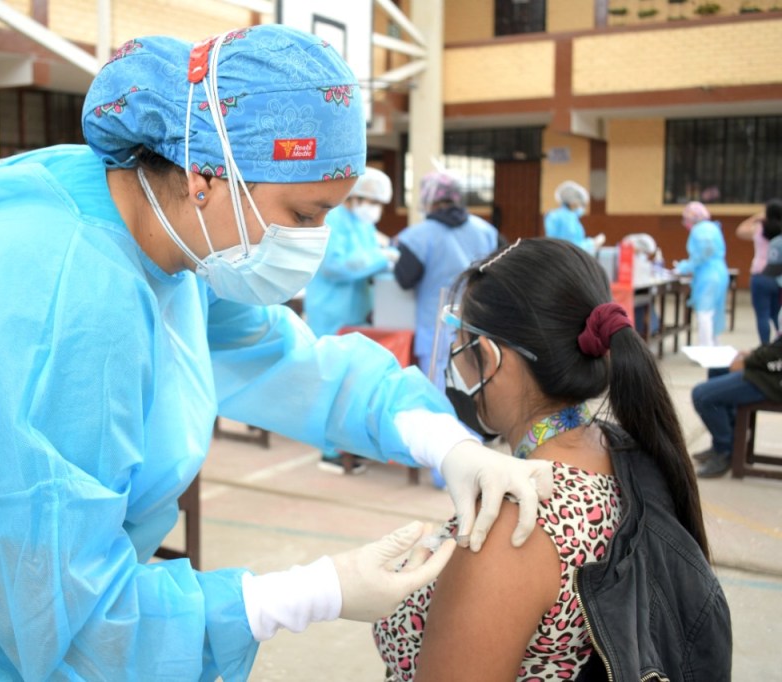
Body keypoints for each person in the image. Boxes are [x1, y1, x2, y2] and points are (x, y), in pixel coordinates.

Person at [0, 26, 553, 681]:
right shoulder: (36, 296)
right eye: (303, 214)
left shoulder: (174, 248)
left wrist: (447, 445)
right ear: (203, 177)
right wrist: (314, 591)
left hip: (54, 607)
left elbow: (289, 363)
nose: (315, 244)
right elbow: (68, 607)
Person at [372, 238, 732, 681]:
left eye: (459, 343)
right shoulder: (623, 450)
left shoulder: (513, 526)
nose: (454, 364)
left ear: (488, 356)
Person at [394, 170, 498, 380]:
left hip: (436, 330)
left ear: (428, 200)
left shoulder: (418, 236)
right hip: (477, 324)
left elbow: (404, 279)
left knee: (437, 391)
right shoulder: (486, 230)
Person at [304, 166, 394, 337]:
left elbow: (368, 260)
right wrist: (382, 258)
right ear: (354, 197)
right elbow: (334, 266)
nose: (376, 209)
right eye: (372, 202)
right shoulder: (332, 219)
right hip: (329, 314)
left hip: (357, 314)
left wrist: (389, 260)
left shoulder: (364, 224)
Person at [690, 330, 782, 477]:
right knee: (717, 369)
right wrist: (752, 353)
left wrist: (748, 362)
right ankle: (732, 439)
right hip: (769, 369)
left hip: (772, 380)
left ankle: (725, 450)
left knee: (701, 395)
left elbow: (776, 356)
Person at [674, 201, 729, 347]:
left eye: (686, 219)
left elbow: (703, 253)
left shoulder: (700, 230)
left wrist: (684, 267)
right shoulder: (712, 227)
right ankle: (714, 344)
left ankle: (706, 349)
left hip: (709, 275)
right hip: (720, 272)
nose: (685, 223)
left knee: (705, 313)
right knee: (715, 311)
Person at [736, 199, 782, 345]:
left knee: (762, 315)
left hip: (760, 275)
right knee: (777, 314)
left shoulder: (759, 228)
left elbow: (740, 231)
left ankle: (764, 346)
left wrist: (757, 216)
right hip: (779, 277)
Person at [543, 180, 606, 255]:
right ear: (573, 203)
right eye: (581, 204)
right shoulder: (567, 218)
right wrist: (593, 243)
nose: (581, 208)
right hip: (564, 260)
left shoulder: (555, 215)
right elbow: (570, 246)